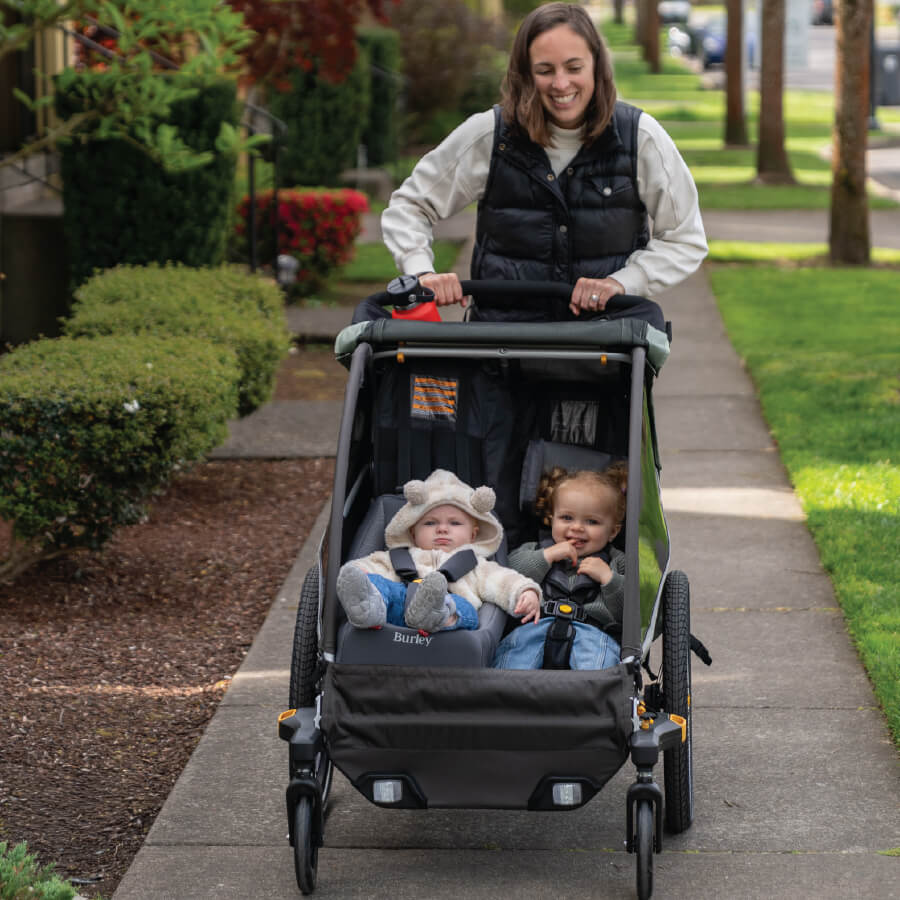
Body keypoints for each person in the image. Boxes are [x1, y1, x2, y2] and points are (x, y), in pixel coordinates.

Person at [380, 1, 707, 322]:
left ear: (596, 66)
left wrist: (623, 282)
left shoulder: (640, 137)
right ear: (525, 73)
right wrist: (421, 272)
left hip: (604, 354)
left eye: (574, 67)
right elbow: (410, 206)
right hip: (501, 352)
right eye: (545, 70)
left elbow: (685, 238)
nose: (561, 84)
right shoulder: (490, 135)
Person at [336, 468, 542, 633]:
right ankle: (368, 609)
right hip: (400, 607)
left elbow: (504, 581)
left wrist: (526, 591)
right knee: (381, 587)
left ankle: (438, 614)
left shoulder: (476, 565)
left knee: (464, 608)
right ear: (413, 532)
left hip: (452, 614)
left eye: (454, 523)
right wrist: (359, 572)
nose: (442, 528)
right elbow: (369, 565)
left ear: (473, 534)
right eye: (430, 523)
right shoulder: (398, 557)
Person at [491, 463, 627, 669]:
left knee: (600, 663)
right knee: (514, 657)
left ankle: (594, 695)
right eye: (566, 518)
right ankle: (506, 696)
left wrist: (609, 578)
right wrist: (547, 556)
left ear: (613, 532)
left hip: (592, 632)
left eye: (592, 522)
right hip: (533, 625)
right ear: (551, 519)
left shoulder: (617, 562)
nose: (577, 527)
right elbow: (507, 573)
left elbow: (632, 611)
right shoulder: (535, 549)